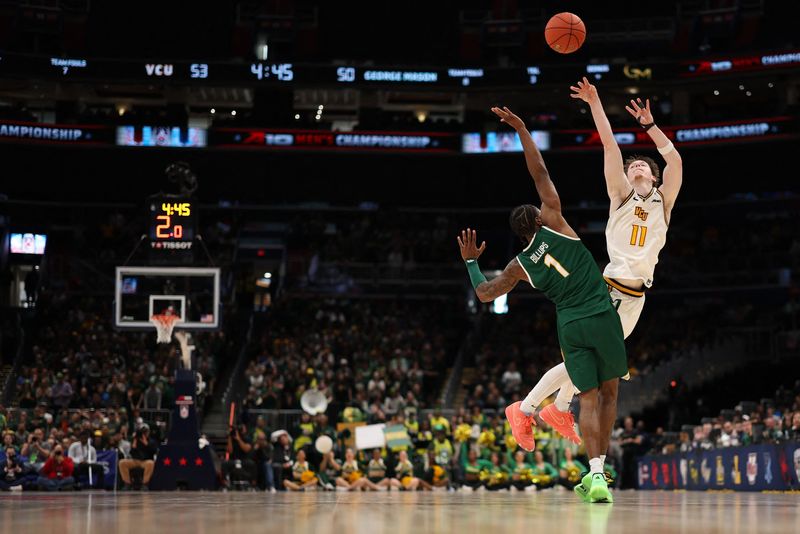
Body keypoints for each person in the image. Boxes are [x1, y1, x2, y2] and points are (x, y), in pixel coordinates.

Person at [458, 106, 629, 503]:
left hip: (570, 326)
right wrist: (521, 128)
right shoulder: (554, 221)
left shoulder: (518, 266)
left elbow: (484, 294)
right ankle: (595, 468)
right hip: (600, 314)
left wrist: (471, 263)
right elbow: (540, 173)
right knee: (609, 394)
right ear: (537, 219)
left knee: (587, 398)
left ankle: (596, 474)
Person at [515, 78, 684, 471]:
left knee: (594, 360)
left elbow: (675, 161)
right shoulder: (621, 195)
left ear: (653, 177)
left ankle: (558, 407)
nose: (637, 165)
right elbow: (610, 144)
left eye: (644, 165)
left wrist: (650, 126)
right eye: (632, 165)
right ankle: (527, 408)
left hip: (636, 297)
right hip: (609, 289)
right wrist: (594, 102)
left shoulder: (663, 200)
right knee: (588, 361)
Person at [119, 424, 157, 490]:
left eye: (145, 432)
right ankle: (127, 483)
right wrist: (134, 445)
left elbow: (153, 452)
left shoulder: (151, 441)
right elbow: (131, 453)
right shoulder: (135, 440)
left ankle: (145, 484)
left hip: (145, 461)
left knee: (150, 463)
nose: (144, 434)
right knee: (122, 462)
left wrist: (146, 444)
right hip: (135, 460)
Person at [222, 423, 257, 488]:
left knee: (252, 464)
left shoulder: (247, 439)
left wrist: (239, 439)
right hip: (233, 460)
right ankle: (225, 483)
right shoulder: (232, 439)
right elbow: (230, 451)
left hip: (244, 460)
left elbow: (246, 449)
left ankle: (253, 484)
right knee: (224, 464)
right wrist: (230, 436)